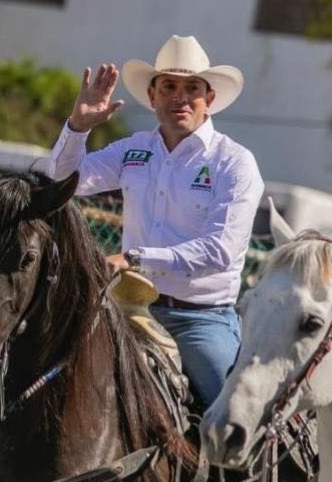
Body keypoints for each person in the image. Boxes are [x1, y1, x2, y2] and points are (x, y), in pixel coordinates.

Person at [46, 35, 264, 412]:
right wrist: (78, 127)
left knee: (229, 418)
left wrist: (133, 258)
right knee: (49, 383)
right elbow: (63, 182)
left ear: (208, 99)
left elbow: (219, 251)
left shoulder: (234, 163)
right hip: (123, 309)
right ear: (153, 96)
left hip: (199, 320)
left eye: (192, 87)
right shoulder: (134, 149)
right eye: (169, 86)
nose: (179, 97)